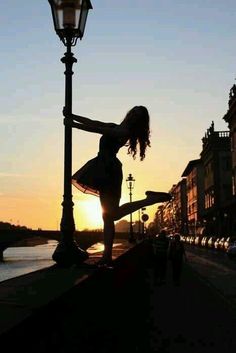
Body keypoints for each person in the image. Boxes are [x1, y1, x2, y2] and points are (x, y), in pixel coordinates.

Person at [63, 106, 172, 266]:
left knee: (110, 215)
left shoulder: (124, 132)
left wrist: (73, 125)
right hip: (102, 168)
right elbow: (93, 122)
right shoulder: (116, 126)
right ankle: (106, 256)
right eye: (133, 111)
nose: (133, 114)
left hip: (110, 171)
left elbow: (97, 129)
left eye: (137, 115)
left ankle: (148, 201)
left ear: (139, 122)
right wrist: (73, 116)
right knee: (108, 216)